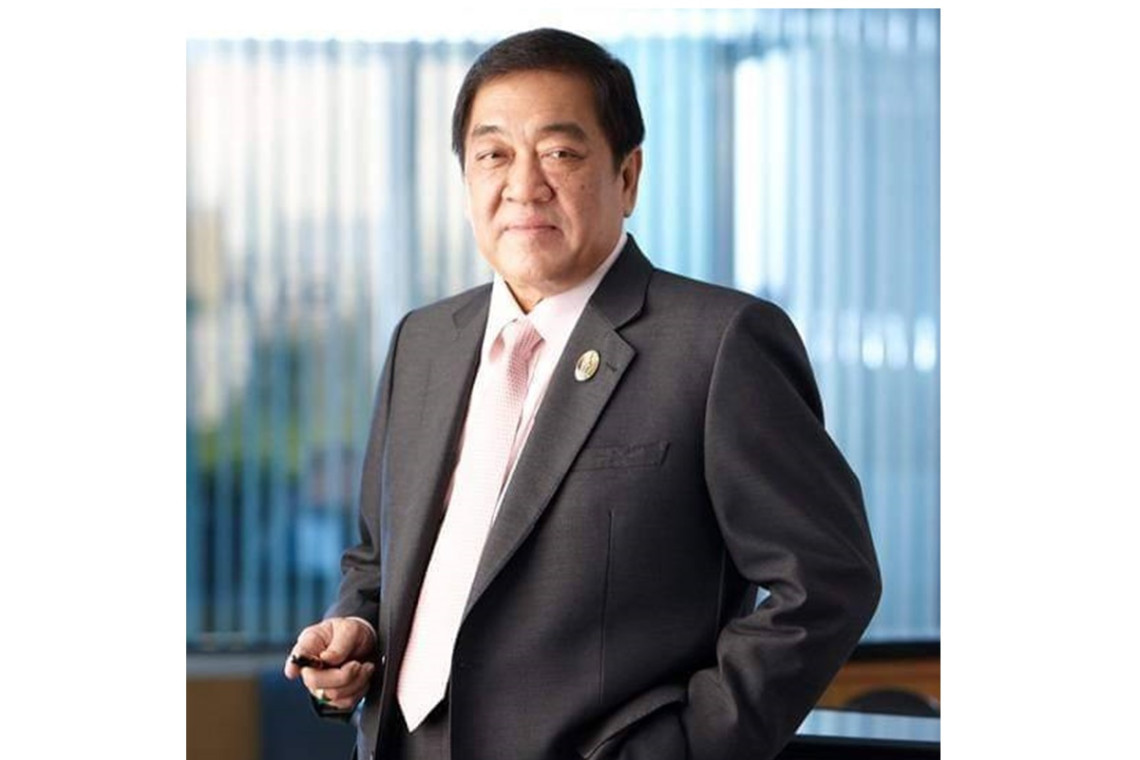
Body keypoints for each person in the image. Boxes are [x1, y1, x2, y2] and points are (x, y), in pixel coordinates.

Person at [284, 27, 880, 760]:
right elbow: (377, 557)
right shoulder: (423, 342)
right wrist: (356, 634)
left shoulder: (719, 344)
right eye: (493, 155)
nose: (523, 186)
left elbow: (827, 580)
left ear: (628, 176)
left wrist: (685, 747)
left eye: (560, 153)